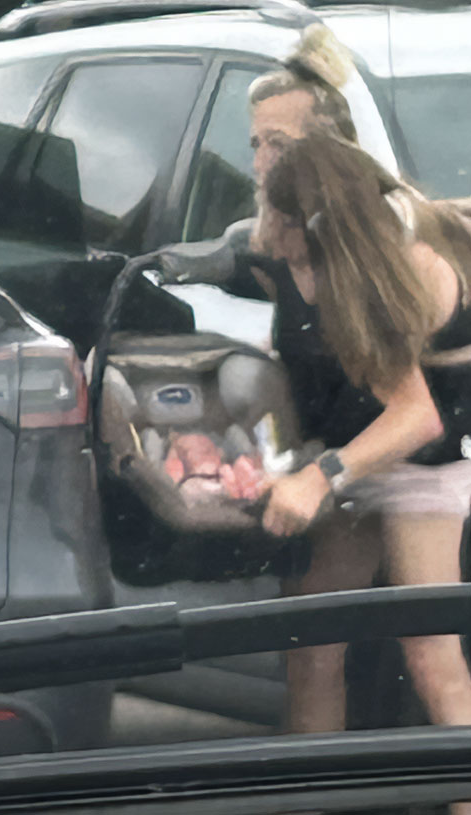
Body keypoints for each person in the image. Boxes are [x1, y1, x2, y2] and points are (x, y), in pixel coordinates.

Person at [141, 23, 471, 738]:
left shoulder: (382, 254)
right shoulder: (277, 237)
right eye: (255, 142)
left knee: (431, 656)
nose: (260, 161)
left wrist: (316, 477)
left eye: (279, 146)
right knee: (309, 645)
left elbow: (416, 415)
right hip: (344, 454)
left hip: (420, 463)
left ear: (327, 155)